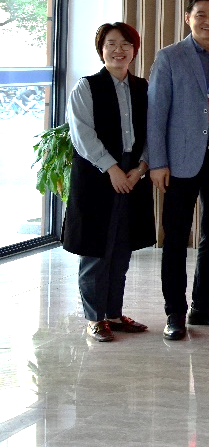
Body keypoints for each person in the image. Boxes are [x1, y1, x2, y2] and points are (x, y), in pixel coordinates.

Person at [148, 0, 209, 340]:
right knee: (175, 238)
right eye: (201, 14)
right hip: (179, 160)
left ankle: (203, 305)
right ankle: (174, 312)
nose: (208, 21)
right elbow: (156, 114)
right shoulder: (169, 57)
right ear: (188, 18)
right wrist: (158, 162)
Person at [64, 22, 155, 342]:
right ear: (101, 50)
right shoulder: (86, 87)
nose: (119, 50)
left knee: (121, 249)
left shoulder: (143, 87)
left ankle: (114, 314)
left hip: (133, 174)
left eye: (126, 44)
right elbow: (82, 135)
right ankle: (94, 318)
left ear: (134, 50)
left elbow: (152, 131)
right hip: (97, 175)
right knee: (96, 250)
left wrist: (141, 168)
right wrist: (112, 169)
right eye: (111, 44)